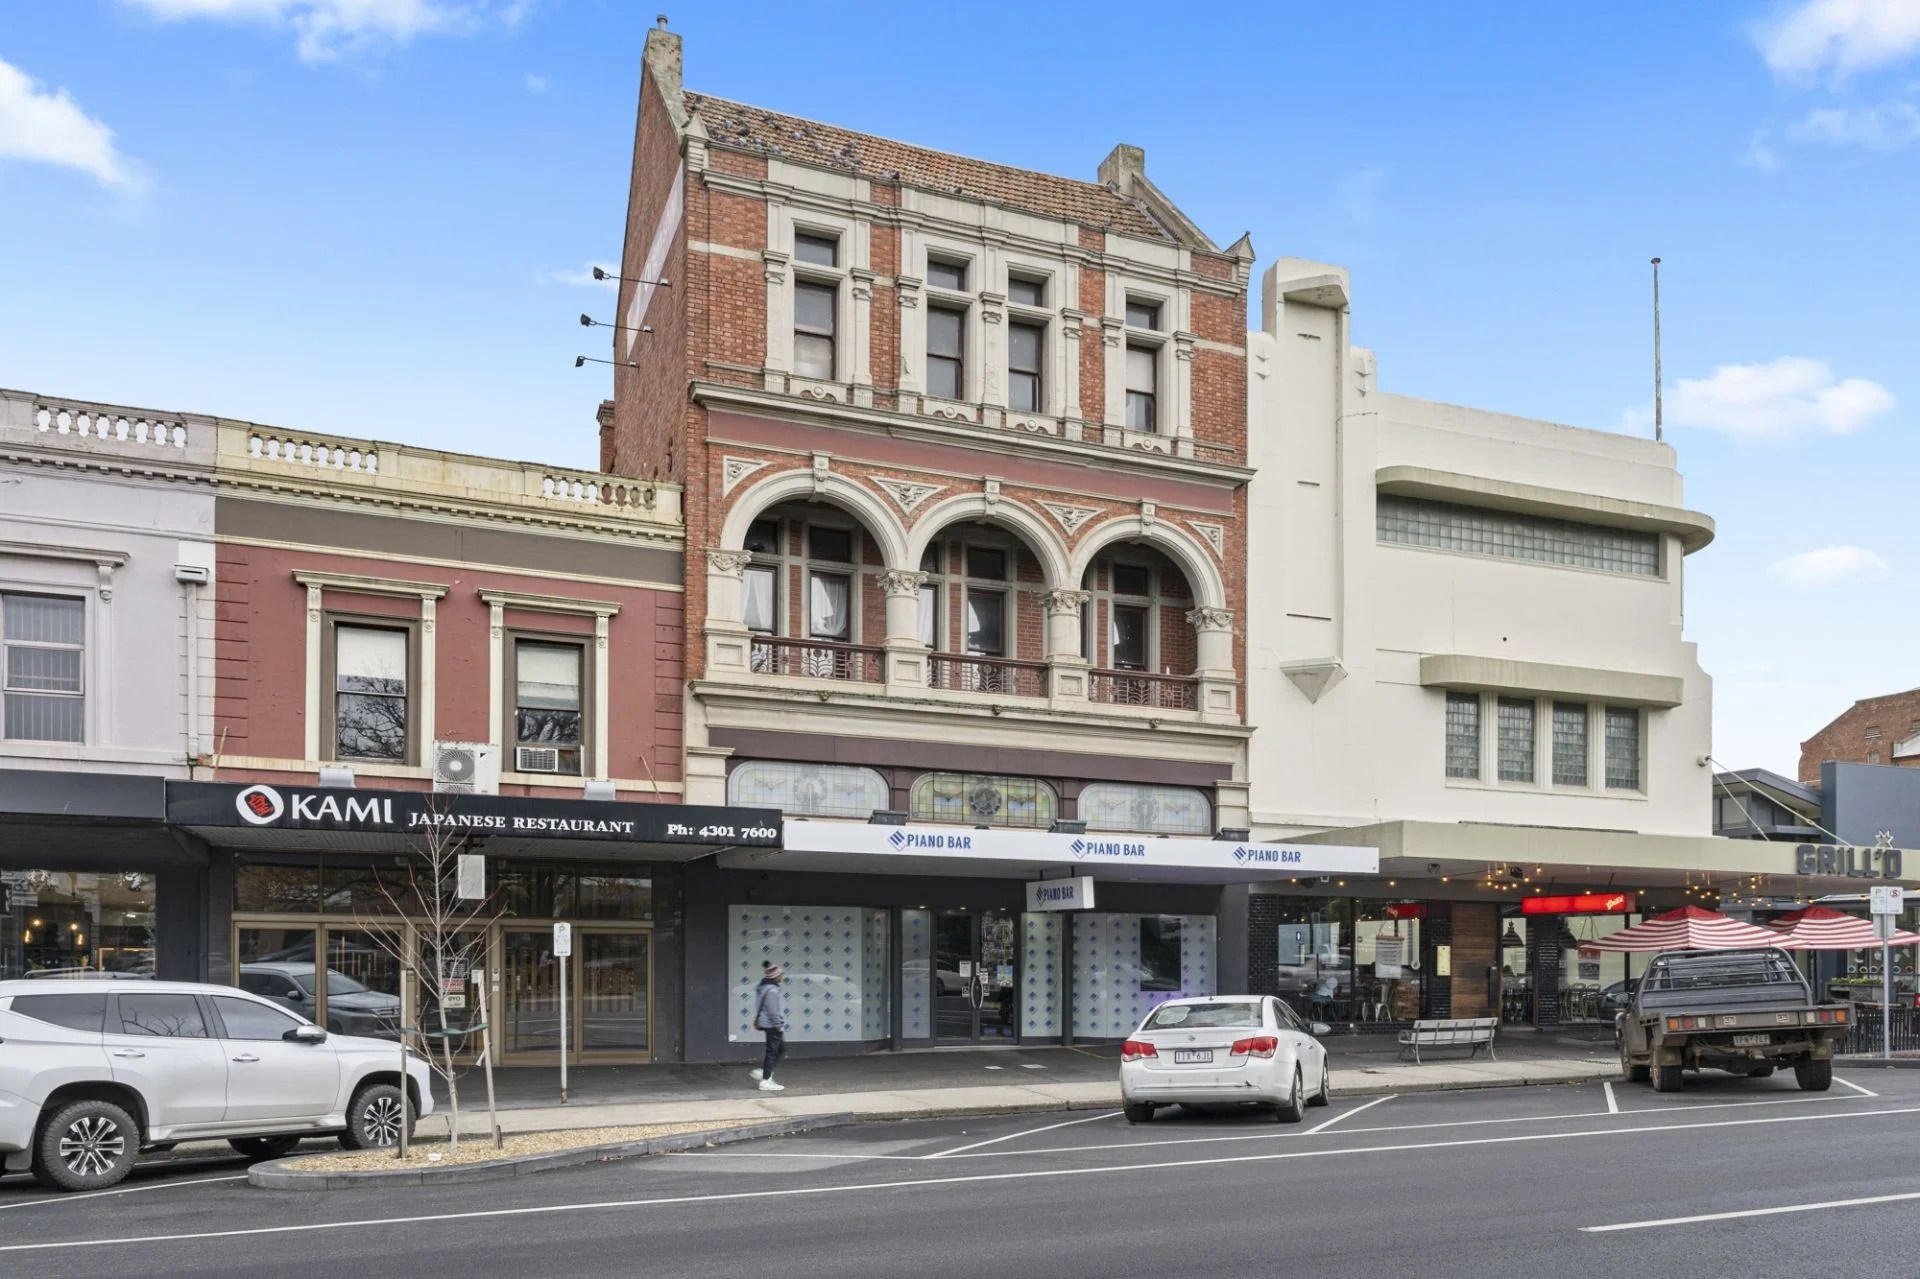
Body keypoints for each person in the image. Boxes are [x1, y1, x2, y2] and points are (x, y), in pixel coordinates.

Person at [749, 963, 788, 1092]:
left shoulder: (764, 987)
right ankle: (765, 1081)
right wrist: (779, 1025)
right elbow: (773, 1011)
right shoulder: (771, 990)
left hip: (767, 1023)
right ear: (775, 976)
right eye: (781, 974)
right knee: (773, 1051)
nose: (782, 976)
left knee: (780, 1049)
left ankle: (765, 1072)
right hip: (772, 1024)